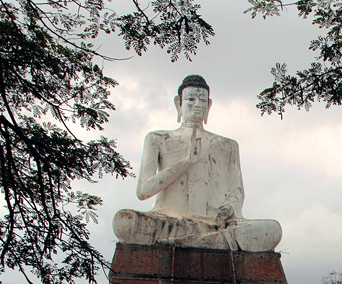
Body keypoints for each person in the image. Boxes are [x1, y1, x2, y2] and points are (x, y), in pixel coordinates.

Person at [112, 74, 281, 252]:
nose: (198, 105)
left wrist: (228, 208)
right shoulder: (158, 139)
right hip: (169, 222)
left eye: (203, 100)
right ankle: (208, 241)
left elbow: (236, 190)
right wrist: (186, 162)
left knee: (272, 229)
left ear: (209, 105)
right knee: (124, 222)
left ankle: (193, 240)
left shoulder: (227, 145)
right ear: (179, 103)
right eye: (191, 99)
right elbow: (143, 191)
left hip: (215, 224)